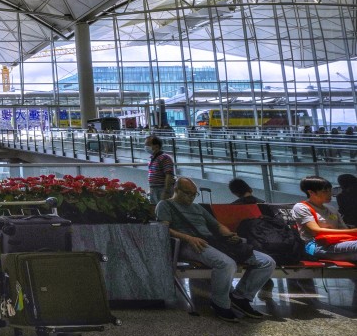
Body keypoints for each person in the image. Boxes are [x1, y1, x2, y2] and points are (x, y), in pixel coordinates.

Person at [157, 177, 275, 322]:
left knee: (267, 262)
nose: (191, 197)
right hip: (188, 245)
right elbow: (163, 228)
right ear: (176, 190)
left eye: (194, 194)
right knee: (226, 263)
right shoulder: (165, 205)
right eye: (188, 193)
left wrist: (229, 235)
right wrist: (188, 238)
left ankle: (240, 297)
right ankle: (220, 302)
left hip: (211, 242)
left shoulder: (197, 208)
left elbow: (217, 226)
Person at [292, 175, 357, 261]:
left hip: (337, 242)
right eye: (325, 191)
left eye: (330, 191)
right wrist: (352, 231)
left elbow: (343, 230)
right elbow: (315, 230)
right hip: (315, 246)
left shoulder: (331, 209)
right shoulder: (301, 207)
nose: (329, 194)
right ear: (311, 192)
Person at [145, 134, 175, 204]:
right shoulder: (153, 158)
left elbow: (169, 175)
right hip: (154, 189)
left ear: (156, 146)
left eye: (148, 144)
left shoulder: (164, 158)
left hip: (161, 189)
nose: (146, 147)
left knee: (163, 209)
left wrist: (166, 192)